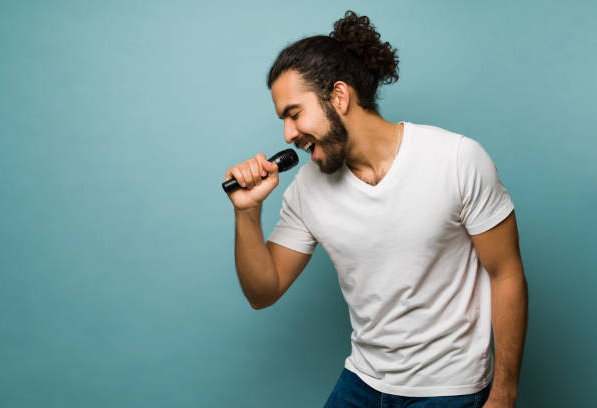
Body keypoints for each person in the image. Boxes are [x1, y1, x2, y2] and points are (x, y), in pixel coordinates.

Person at [223, 10, 528, 408]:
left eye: (294, 114)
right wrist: (246, 211)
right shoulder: (306, 190)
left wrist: (504, 394)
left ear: (339, 96)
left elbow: (506, 274)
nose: (288, 134)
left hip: (448, 389)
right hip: (363, 381)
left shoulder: (456, 159)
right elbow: (263, 292)